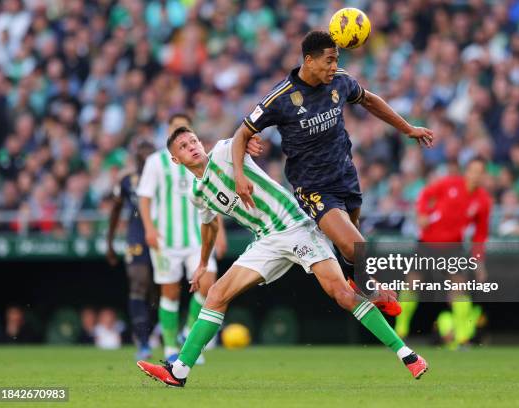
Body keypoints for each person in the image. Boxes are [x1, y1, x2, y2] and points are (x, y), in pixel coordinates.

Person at [136, 127, 428, 387]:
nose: (193, 147)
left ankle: (408, 355)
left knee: (340, 294)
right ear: (176, 160)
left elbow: (243, 133)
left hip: (296, 227)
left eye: (194, 140)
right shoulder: (198, 192)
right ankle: (179, 370)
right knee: (216, 294)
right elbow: (209, 223)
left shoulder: (225, 151)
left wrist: (249, 141)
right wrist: (202, 263)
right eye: (184, 147)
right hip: (266, 241)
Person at [233, 31, 434, 315]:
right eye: (328, 60)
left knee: (352, 250)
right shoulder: (281, 97)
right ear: (309, 60)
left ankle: (358, 284)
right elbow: (242, 134)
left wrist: (408, 128)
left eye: (336, 60)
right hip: (313, 187)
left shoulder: (339, 80)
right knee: (357, 248)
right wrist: (240, 176)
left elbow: (369, 99)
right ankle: (369, 289)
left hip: (346, 177)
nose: (333, 66)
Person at [137, 114, 219, 362]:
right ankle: (171, 349)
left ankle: (188, 333)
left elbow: (214, 197)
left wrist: (220, 232)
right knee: (170, 293)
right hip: (166, 240)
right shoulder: (155, 162)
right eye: (174, 128)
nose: (180, 133)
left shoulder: (202, 158)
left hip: (197, 237)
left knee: (209, 286)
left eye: (184, 129)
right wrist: (149, 229)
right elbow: (144, 197)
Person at [395, 158, 492, 348]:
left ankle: (464, 338)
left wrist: (479, 262)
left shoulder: (483, 200)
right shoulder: (449, 184)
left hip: (454, 247)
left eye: (480, 172)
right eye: (473, 170)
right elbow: (424, 195)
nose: (476, 175)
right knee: (412, 284)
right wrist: (421, 214)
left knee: (459, 289)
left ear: (484, 175)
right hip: (427, 243)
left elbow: (480, 235)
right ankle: (400, 332)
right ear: (467, 171)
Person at [106, 139, 156, 360]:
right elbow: (116, 209)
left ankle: (155, 332)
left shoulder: (167, 177)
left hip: (162, 233)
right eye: (141, 155)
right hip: (136, 234)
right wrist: (109, 241)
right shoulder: (127, 180)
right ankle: (143, 342)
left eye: (149, 155)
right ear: (136, 159)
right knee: (138, 284)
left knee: (160, 289)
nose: (145, 159)